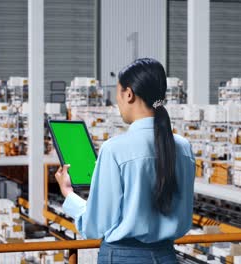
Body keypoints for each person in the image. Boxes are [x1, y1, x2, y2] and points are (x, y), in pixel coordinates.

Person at [55, 58, 195, 263]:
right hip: (166, 255)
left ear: (128, 94)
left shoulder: (114, 149)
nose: (117, 103)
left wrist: (68, 194)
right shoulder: (183, 148)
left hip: (122, 257)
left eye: (117, 95)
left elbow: (95, 225)